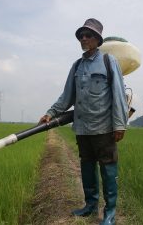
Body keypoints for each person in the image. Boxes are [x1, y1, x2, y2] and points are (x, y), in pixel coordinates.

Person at [39, 18, 128, 225]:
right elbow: (67, 96)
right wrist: (51, 113)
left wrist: (120, 124)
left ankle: (110, 212)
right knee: (87, 168)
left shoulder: (109, 61)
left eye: (88, 35)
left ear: (97, 39)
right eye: (81, 35)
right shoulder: (77, 66)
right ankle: (90, 205)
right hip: (82, 128)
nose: (83, 38)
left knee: (108, 170)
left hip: (104, 128)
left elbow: (119, 95)